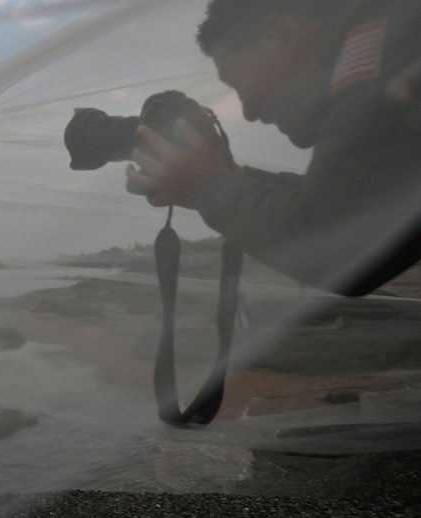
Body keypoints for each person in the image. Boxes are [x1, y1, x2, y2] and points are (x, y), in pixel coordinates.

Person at [124, 0, 421, 296]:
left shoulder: (373, 61)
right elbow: (356, 200)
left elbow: (332, 240)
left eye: (238, 82)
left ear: (283, 34)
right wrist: (229, 177)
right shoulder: (395, 36)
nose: (249, 111)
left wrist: (205, 186)